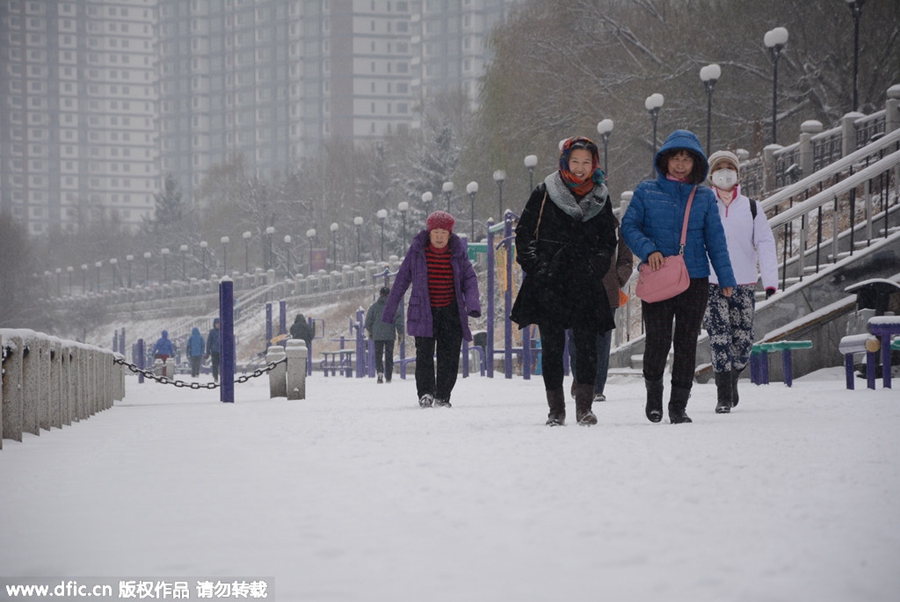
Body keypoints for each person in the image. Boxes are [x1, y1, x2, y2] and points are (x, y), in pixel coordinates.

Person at [622, 129, 736, 424]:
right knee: (657, 342)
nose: (681, 163)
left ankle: (678, 406)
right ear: (666, 160)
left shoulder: (704, 198)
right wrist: (649, 251)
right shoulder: (646, 191)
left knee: (686, 343)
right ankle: (654, 397)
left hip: (694, 279)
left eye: (687, 158)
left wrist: (725, 278)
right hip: (659, 276)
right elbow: (629, 226)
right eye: (676, 157)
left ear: (696, 163)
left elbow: (716, 240)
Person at [510, 136, 619, 426]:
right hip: (550, 283)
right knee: (553, 347)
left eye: (586, 162)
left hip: (585, 282)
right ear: (565, 161)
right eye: (575, 161)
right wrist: (538, 267)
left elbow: (608, 240)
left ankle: (585, 406)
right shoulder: (545, 192)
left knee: (587, 347)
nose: (581, 167)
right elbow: (524, 234)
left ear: (594, 163)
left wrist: (595, 266)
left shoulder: (600, 196)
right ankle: (555, 410)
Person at [381, 210, 481, 408]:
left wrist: (473, 304)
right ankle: (426, 393)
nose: (439, 237)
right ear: (429, 232)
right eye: (435, 232)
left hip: (451, 312)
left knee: (449, 356)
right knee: (424, 354)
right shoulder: (418, 251)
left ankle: (443, 395)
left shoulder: (457, 252)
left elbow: (469, 278)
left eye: (443, 233)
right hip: (423, 311)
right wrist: (389, 311)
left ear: (450, 234)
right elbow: (402, 279)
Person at [704, 150, 778, 414]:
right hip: (710, 284)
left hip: (744, 284)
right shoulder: (703, 203)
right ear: (711, 175)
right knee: (719, 337)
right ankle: (723, 395)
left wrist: (770, 280)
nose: (725, 171)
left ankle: (732, 378)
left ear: (738, 173)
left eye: (729, 167)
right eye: (719, 167)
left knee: (743, 341)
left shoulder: (751, 207)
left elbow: (765, 243)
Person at [365, 286, 404, 383]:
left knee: (378, 355)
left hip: (377, 336)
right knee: (389, 355)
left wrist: (371, 332)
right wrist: (400, 333)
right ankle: (389, 376)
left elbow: (368, 322)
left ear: (380, 294)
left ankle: (379, 373)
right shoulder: (394, 306)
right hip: (390, 335)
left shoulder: (373, 307)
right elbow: (399, 321)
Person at [206, 318, 221, 382]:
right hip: (214, 351)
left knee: (222, 365)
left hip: (221, 351)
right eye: (217, 324)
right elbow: (209, 342)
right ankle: (215, 377)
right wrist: (208, 352)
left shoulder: (223, 331)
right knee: (215, 365)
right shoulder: (212, 332)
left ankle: (221, 376)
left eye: (219, 324)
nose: (218, 325)